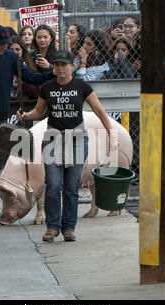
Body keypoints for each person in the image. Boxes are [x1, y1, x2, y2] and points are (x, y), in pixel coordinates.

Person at [17, 50, 117, 242]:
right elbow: (39, 111)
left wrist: (111, 134)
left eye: (64, 64)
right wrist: (26, 116)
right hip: (53, 137)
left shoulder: (82, 87)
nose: (60, 68)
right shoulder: (47, 87)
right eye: (57, 65)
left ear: (72, 66)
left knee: (71, 186)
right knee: (53, 184)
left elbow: (99, 110)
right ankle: (52, 226)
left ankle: (69, 227)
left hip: (77, 138)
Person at [0, 25, 54, 222]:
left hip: (1, 120)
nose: (4, 48)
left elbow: (30, 77)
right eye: (1, 44)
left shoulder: (11, 57)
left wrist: (52, 72)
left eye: (7, 44)